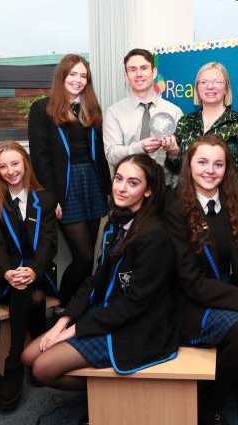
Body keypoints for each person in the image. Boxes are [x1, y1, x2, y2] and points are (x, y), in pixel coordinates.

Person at [21, 154, 179, 394]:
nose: (121, 188)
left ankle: (108, 396)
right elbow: (96, 280)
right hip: (110, 312)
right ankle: (105, 394)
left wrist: (72, 331)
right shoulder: (118, 221)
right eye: (119, 179)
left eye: (133, 183)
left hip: (139, 327)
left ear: (148, 191)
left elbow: (133, 305)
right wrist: (61, 323)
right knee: (28, 356)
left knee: (42, 369)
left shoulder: (154, 236)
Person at [165, 135, 238, 425]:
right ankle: (211, 406)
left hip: (230, 292)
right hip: (189, 303)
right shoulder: (175, 210)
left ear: (226, 168)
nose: (210, 170)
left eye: (218, 164)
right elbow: (189, 281)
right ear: (188, 165)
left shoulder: (233, 202)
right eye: (202, 162)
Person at [28, 54, 110, 307]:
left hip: (92, 183)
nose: (78, 80)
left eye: (83, 76)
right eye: (73, 74)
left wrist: (108, 190)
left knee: (93, 255)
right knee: (83, 257)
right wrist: (51, 198)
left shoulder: (91, 109)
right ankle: (65, 307)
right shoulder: (42, 108)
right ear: (62, 76)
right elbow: (40, 159)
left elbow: (100, 156)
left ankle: (78, 308)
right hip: (64, 187)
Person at [0, 141, 58, 411]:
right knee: (29, 294)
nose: (10, 171)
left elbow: (50, 242)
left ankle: (17, 359)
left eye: (15, 163)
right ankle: (20, 360)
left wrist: (34, 269)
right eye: (2, 166)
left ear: (25, 163)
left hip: (37, 271)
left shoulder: (45, 199)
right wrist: (8, 272)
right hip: (7, 277)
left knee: (33, 289)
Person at [168, 62, 238, 206]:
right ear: (197, 88)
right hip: (186, 205)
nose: (210, 87)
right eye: (204, 82)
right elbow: (177, 169)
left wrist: (215, 203)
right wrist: (173, 153)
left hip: (225, 208)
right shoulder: (185, 122)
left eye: (217, 82)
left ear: (226, 88)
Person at [103, 48, 183, 183]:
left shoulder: (174, 112)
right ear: (126, 75)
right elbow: (112, 156)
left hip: (166, 188)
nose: (139, 74)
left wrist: (173, 151)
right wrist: (139, 148)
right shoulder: (114, 113)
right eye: (132, 69)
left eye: (144, 68)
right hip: (128, 189)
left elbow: (184, 160)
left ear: (154, 72)